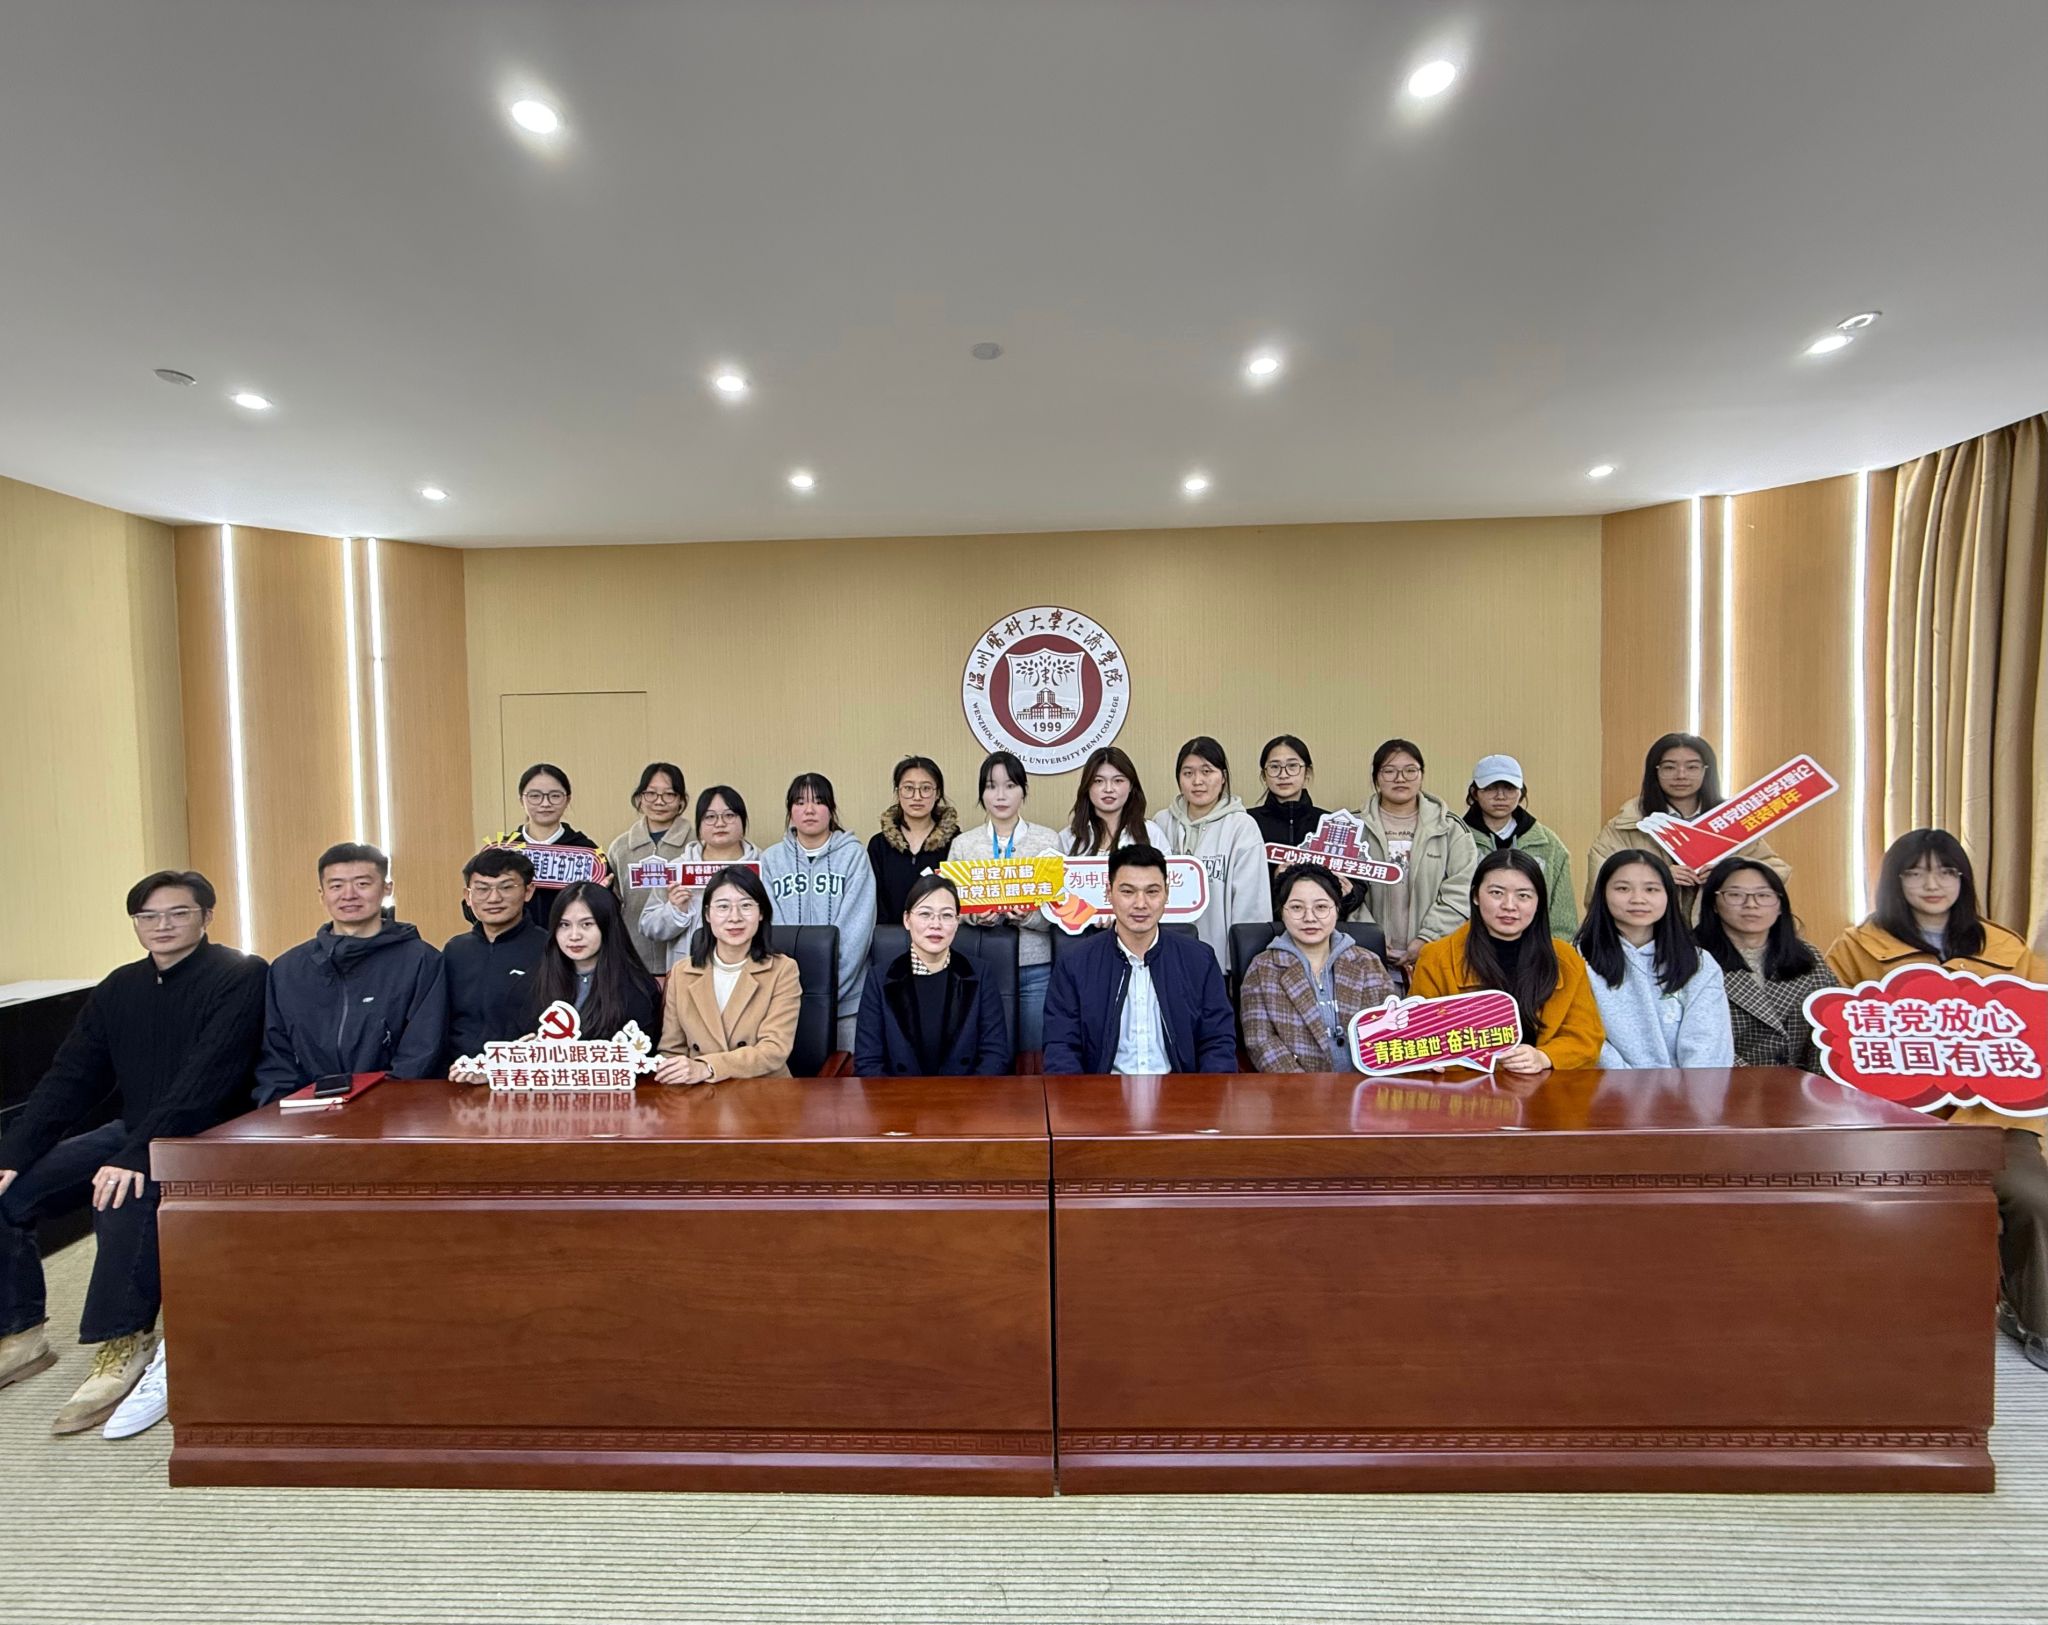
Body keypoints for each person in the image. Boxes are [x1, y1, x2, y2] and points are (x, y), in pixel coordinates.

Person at [0, 871, 265, 1441]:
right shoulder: (119, 987)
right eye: (148, 916)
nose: (162, 925)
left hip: (208, 1136)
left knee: (122, 1194)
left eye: (178, 913)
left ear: (207, 916)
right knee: (10, 1193)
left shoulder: (241, 974)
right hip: (135, 1130)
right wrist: (13, 1153)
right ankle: (21, 1334)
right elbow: (71, 1077)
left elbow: (207, 1081)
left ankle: (125, 1342)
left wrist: (137, 1153)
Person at [1826, 829, 2048, 1372]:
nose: (1933, 884)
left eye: (1947, 871)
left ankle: (2036, 1321)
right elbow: (1832, 1040)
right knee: (1880, 1207)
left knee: (2034, 1198)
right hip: (1896, 1124)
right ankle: (1887, 1329)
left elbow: (2037, 1030)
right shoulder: (1854, 948)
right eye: (1916, 871)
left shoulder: (2006, 947)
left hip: (1994, 1122)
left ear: (1963, 880)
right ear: (1894, 880)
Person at [254, 842, 448, 1104]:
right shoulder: (287, 969)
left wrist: (375, 1109)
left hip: (392, 1110)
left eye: (362, 884)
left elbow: (421, 1053)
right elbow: (276, 1058)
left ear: (387, 888)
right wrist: (278, 1111)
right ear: (322, 894)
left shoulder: (421, 960)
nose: (349, 895)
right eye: (336, 886)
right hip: (305, 1113)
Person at [1042, 845, 1237, 1076]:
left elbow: (1218, 1042)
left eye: (1152, 892)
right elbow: (1061, 1046)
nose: (1140, 903)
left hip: (1180, 1090)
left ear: (1167, 893)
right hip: (1102, 1092)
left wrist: (1207, 1093)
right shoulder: (1075, 963)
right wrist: (1083, 1096)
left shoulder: (1199, 960)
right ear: (1109, 893)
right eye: (1128, 892)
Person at [1410, 849, 1605, 1074]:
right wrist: (1431, 1059)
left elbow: (1587, 1037)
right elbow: (1417, 1034)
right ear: (1475, 896)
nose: (1509, 905)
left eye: (1523, 896)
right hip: (1465, 1088)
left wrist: (1544, 1057)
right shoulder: (1436, 957)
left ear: (1539, 902)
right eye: (1496, 893)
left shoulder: (1565, 959)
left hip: (1543, 1086)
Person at [1583, 733, 1789, 924]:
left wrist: (1728, 873)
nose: (1681, 775)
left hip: (1720, 931)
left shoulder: (1730, 821)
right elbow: (1599, 880)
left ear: (1706, 771)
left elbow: (1775, 870)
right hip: (1650, 932)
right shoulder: (1627, 823)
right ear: (1655, 771)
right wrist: (1656, 876)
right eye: (1669, 767)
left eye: (1692, 767)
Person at [1575, 848, 1734, 1068]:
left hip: (1689, 1088)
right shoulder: (1576, 959)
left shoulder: (1697, 961)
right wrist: (1631, 1085)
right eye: (1623, 888)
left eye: (1651, 889)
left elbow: (1708, 1045)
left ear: (1668, 894)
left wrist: (1690, 1089)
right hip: (1608, 1086)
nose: (1638, 899)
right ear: (1602, 894)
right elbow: (1584, 1039)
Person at [758, 773, 876, 1054]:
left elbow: (858, 930)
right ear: (790, 811)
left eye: (818, 801)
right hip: (783, 999)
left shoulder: (854, 856)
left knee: (847, 1076)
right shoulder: (771, 860)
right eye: (800, 802)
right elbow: (771, 928)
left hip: (847, 1002)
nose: (809, 810)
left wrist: (827, 990)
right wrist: (790, 988)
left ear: (831, 809)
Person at [950, 750, 1059, 1053]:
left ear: (1024, 791)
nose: (1000, 795)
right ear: (981, 793)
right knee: (987, 1053)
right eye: (991, 786)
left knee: (1034, 1055)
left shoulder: (1048, 841)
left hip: (1035, 966)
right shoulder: (963, 845)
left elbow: (1060, 911)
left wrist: (1029, 917)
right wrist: (974, 916)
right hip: (980, 964)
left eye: (1010, 785)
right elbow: (950, 908)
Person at [1239, 865, 1397, 1073]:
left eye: (1321, 907)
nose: (1310, 917)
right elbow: (1261, 1042)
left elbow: (1392, 1030)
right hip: (1296, 1087)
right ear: (1282, 911)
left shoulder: (1367, 963)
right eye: (1297, 907)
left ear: (1337, 909)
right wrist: (1306, 1087)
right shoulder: (1263, 969)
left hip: (1366, 1085)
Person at [654, 866, 803, 1083]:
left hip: (764, 1090)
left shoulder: (782, 970)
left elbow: (774, 1049)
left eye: (746, 906)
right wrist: (677, 1073)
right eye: (723, 906)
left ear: (761, 913)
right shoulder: (682, 973)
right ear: (707, 914)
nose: (735, 917)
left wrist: (707, 1067)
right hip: (700, 1092)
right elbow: (671, 1049)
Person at [853, 875, 1011, 1076]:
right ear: (907, 920)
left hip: (966, 1093)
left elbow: (994, 1055)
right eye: (925, 914)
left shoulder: (980, 974)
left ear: (956, 922)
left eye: (946, 915)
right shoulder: (879, 978)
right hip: (898, 1094)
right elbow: (868, 1062)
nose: (936, 924)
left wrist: (968, 1095)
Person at [1694, 861, 1838, 1069]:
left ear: (1780, 905)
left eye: (1763, 895)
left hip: (1803, 1083)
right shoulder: (1691, 958)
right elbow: (1698, 1043)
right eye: (1735, 895)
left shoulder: (1808, 956)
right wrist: (1759, 1082)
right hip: (1724, 1080)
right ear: (1714, 904)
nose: (1751, 904)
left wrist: (1821, 1084)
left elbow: (1831, 1027)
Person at [1351, 738, 1476, 978]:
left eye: (1410, 770)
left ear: (1422, 775)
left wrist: (1427, 938)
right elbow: (1340, 888)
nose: (1400, 778)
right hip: (1364, 957)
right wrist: (1371, 938)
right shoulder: (1351, 825)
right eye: (1389, 771)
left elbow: (1463, 889)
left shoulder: (1450, 828)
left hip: (1436, 955)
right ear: (1376, 777)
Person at [1152, 736, 1269, 970]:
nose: (1198, 781)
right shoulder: (1161, 823)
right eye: (1188, 773)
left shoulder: (1241, 826)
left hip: (1219, 959)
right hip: (1164, 956)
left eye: (1207, 771)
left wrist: (1240, 962)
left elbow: (1251, 904)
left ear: (1223, 777)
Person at [443, 847, 546, 1074]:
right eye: (482, 889)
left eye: (506, 887)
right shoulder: (454, 950)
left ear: (528, 891)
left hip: (524, 1074)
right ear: (468, 896)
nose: (494, 898)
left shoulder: (550, 948)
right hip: (457, 1074)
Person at [639, 786, 760, 973]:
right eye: (710, 817)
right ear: (700, 827)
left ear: (743, 822)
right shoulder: (677, 869)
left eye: (729, 815)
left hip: (750, 969)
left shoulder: (763, 866)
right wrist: (675, 911)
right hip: (691, 972)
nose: (720, 823)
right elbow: (648, 926)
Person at [1460, 754, 1578, 938]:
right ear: (1475, 792)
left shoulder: (1548, 844)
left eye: (1509, 788)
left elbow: (1562, 913)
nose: (1500, 796)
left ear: (1521, 792)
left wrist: (1555, 949)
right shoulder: (1457, 838)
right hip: (1469, 943)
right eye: (1490, 788)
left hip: (1535, 946)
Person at [527, 881, 661, 1041]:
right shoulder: (535, 980)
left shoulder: (637, 988)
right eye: (564, 925)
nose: (574, 936)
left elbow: (640, 1049)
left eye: (586, 924)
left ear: (607, 926)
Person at [491, 762, 602, 929]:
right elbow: (473, 907)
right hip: (514, 940)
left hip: (571, 939)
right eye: (535, 796)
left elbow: (607, 908)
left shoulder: (587, 852)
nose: (545, 803)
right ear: (521, 800)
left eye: (555, 796)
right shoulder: (504, 851)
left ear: (567, 799)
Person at [607, 762, 694, 975]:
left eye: (669, 794)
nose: (659, 801)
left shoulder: (696, 845)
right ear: (639, 798)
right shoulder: (620, 847)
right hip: (632, 956)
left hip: (686, 957)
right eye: (651, 793)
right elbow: (614, 901)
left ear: (681, 800)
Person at [866, 755, 959, 922]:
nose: (917, 797)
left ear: (937, 793)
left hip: (939, 933)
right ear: (898, 792)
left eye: (926, 788)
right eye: (908, 788)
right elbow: (873, 901)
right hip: (888, 935)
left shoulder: (957, 842)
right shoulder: (879, 845)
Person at [1247, 735, 1333, 873]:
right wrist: (1273, 878)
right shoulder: (1247, 821)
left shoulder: (1330, 823)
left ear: (1307, 772)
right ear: (1264, 775)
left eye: (1292, 766)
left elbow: (1355, 880)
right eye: (1274, 767)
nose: (1283, 775)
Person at [1059, 746, 1151, 856]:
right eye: (1098, 781)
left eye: (1118, 780)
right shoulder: (1067, 838)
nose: (1108, 789)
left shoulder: (1151, 832)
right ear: (1087, 786)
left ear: (1131, 785)